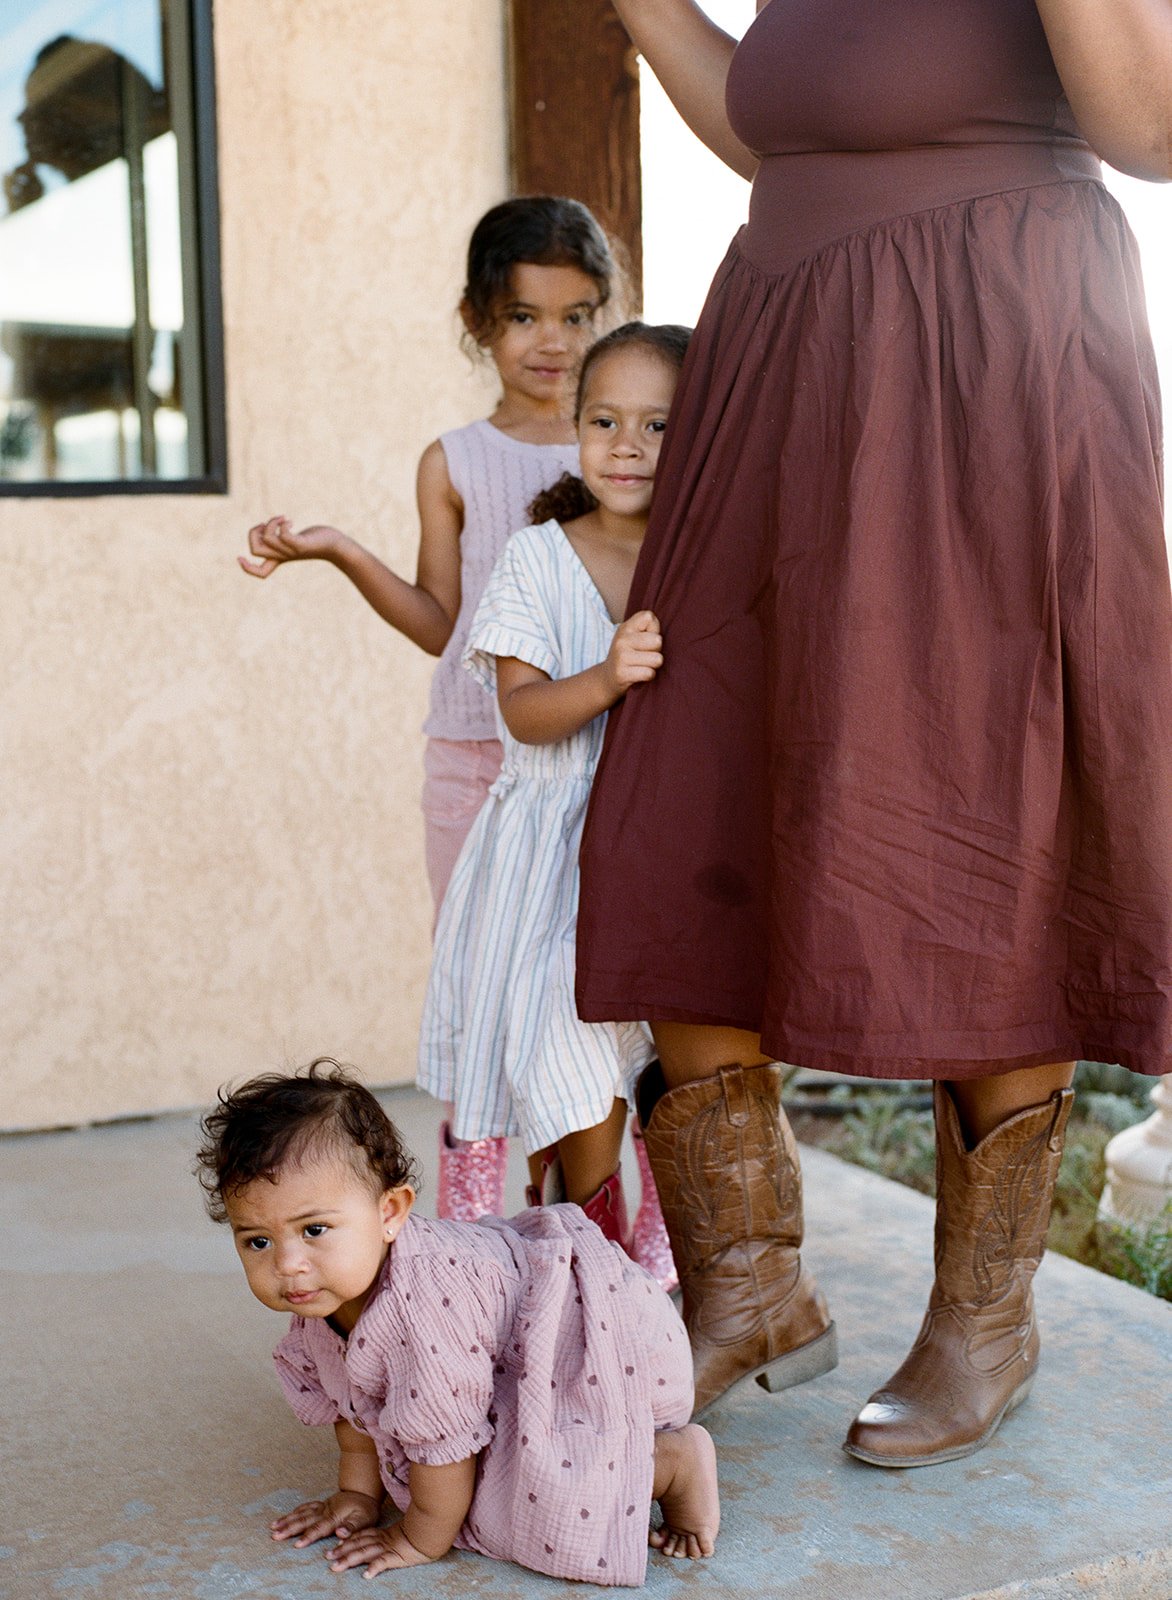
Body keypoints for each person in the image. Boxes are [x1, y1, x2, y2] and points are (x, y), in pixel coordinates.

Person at [576, 0, 1172, 1464]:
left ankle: (984, 1320)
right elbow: (780, 126)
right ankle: (749, 1280)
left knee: (983, 800)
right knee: (691, 781)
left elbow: (1149, 127)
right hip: (784, 365)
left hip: (982, 367)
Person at [238, 197, 612, 1222]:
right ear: (477, 319)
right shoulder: (453, 460)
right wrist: (339, 551)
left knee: (588, 995)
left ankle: (596, 1218)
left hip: (593, 754)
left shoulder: (620, 448)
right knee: (481, 986)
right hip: (472, 760)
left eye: (576, 315)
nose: (552, 340)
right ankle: (482, 1233)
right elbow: (439, 618)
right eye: (524, 315)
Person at [195, 1062, 719, 1584]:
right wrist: (358, 1495)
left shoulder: (423, 1312)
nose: (287, 1264)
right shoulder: (329, 1292)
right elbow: (351, 1409)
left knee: (531, 1500)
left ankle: (673, 1462)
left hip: (604, 1344)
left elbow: (445, 1449)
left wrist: (418, 1538)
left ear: (391, 1212)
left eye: (313, 1229)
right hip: (519, 1345)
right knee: (450, 1462)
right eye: (257, 1241)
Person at [418, 323, 690, 1278]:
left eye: (660, 424)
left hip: (667, 857)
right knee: (554, 1054)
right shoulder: (537, 555)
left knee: (647, 1064)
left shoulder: (703, 557)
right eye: (605, 420)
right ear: (574, 430)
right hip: (547, 856)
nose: (627, 445)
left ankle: (637, 1274)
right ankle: (576, 1255)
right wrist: (610, 675)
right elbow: (526, 715)